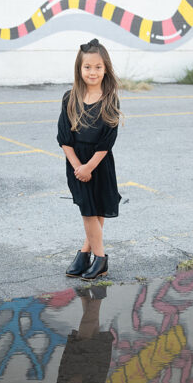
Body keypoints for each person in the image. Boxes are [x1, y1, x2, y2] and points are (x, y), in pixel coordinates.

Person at [57, 38, 122, 281]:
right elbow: (64, 136)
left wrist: (90, 166)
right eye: (87, 67)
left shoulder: (109, 99)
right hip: (77, 164)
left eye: (98, 67)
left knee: (96, 209)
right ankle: (90, 255)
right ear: (79, 69)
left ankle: (98, 258)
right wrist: (78, 167)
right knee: (88, 210)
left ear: (105, 69)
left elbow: (108, 138)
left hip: (99, 162)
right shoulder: (69, 97)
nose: (92, 72)